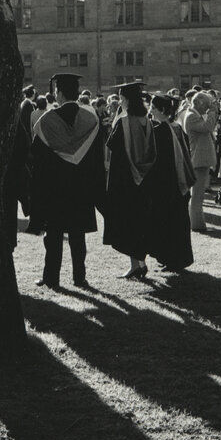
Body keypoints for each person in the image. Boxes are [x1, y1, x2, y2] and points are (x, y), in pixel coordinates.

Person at [27, 73, 105, 288]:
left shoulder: (47, 121)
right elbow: (98, 159)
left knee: (53, 235)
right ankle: (80, 277)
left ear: (58, 93)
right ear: (77, 92)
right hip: (81, 188)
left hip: (55, 188)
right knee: (77, 235)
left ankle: (51, 278)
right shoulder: (90, 120)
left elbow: (36, 159)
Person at [104, 81, 156, 278]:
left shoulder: (124, 122)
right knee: (140, 222)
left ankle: (136, 265)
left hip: (126, 181)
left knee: (129, 223)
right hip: (145, 178)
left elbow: (112, 146)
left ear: (125, 100)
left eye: (120, 98)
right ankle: (140, 263)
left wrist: (117, 118)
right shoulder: (147, 121)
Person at [147, 94, 194, 271]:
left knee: (168, 222)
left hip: (166, 185)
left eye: (153, 107)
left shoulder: (160, 132)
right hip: (178, 184)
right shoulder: (177, 128)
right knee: (179, 221)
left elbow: (156, 161)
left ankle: (171, 258)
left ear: (162, 110)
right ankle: (178, 258)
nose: (150, 110)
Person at [182, 91, 218, 233]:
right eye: (206, 104)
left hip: (201, 158)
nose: (208, 107)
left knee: (198, 194)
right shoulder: (191, 116)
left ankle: (197, 222)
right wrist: (212, 113)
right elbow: (207, 127)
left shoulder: (195, 115)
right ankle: (197, 224)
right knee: (197, 195)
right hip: (198, 159)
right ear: (197, 102)